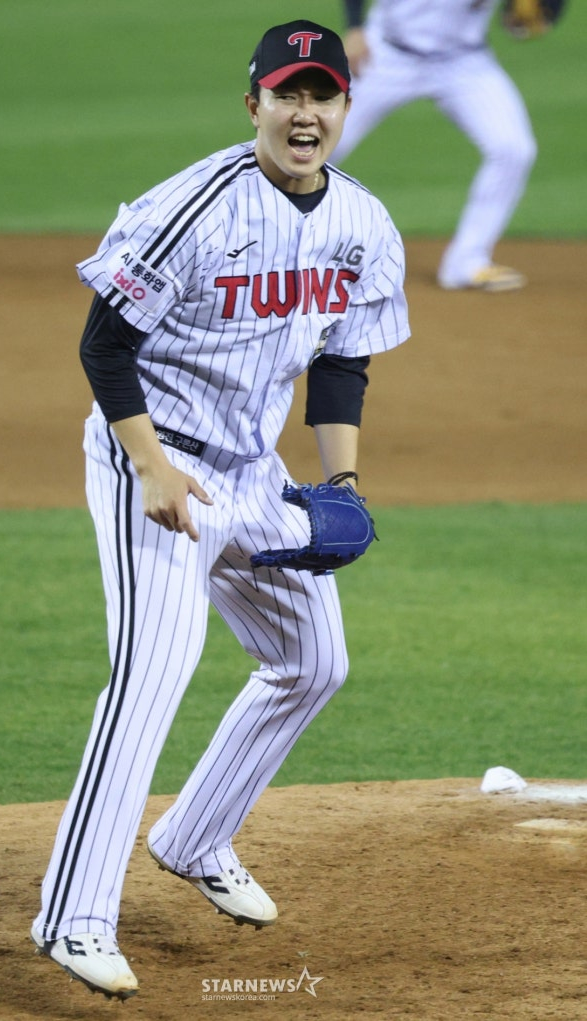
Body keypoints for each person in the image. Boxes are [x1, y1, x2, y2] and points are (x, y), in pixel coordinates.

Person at [30, 19, 410, 1000]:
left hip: (251, 472)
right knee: (151, 674)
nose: (303, 112)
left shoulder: (360, 223)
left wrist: (339, 484)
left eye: (320, 95)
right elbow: (103, 346)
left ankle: (192, 836)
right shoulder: (190, 207)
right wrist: (148, 467)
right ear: (254, 105)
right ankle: (73, 916)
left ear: (341, 109)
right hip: (149, 464)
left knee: (311, 661)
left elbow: (339, 360)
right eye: (286, 94)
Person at [333, 0, 537, 291]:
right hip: (386, 53)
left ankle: (466, 263)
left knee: (514, 149)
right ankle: (261, 243)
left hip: (464, 63)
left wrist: (527, 20)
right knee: (318, 144)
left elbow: (527, 16)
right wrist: (355, 27)